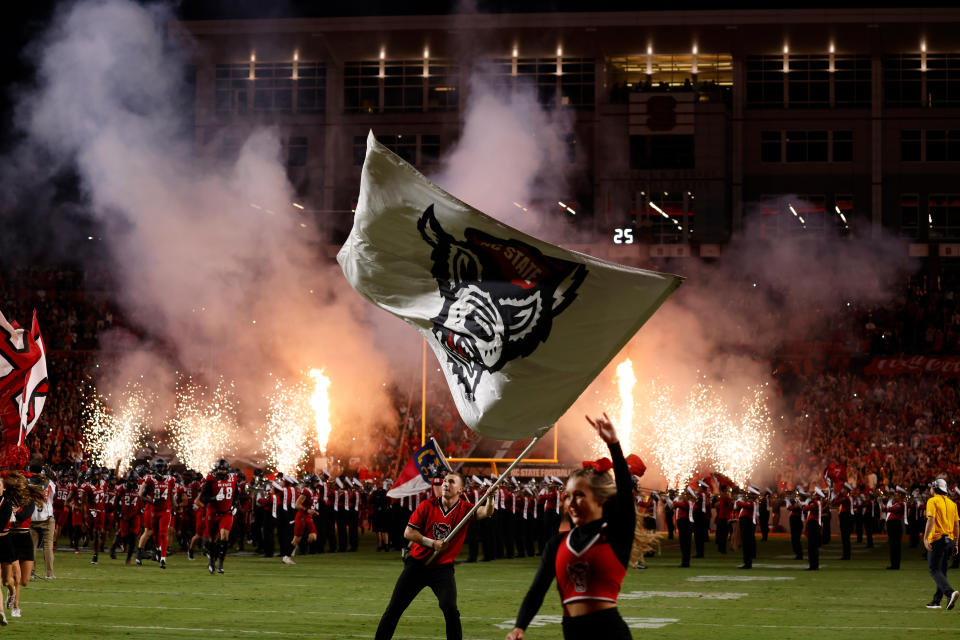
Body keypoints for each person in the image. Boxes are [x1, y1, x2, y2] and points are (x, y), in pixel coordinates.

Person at [505, 414, 635, 640]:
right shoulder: (556, 544)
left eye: (580, 496)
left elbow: (624, 493)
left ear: (600, 499)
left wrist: (613, 444)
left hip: (609, 631)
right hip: (571, 631)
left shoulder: (614, 536)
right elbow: (537, 590)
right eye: (568, 497)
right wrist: (519, 626)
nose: (571, 503)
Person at [375, 469, 494, 640]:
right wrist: (432, 543)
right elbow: (408, 533)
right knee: (394, 608)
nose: (446, 484)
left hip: (442, 569)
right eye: (445, 481)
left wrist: (490, 497)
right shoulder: (427, 505)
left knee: (450, 608)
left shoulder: (466, 510)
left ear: (461, 490)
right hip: (417, 564)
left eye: (452, 481)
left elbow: (486, 512)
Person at [923, 478, 960, 610]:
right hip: (949, 540)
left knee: (934, 569)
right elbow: (957, 525)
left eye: (931, 487)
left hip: (937, 539)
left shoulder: (932, 501)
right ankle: (936, 601)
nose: (929, 489)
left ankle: (949, 593)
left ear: (935, 488)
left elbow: (931, 520)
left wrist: (926, 538)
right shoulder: (952, 504)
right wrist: (956, 543)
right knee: (942, 571)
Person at [197, 459, 239, 575]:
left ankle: (221, 563)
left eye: (224, 469)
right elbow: (203, 498)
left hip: (226, 513)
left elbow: (236, 495)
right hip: (213, 512)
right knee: (212, 539)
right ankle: (211, 562)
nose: (222, 471)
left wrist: (235, 505)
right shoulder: (210, 479)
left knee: (225, 537)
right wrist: (214, 498)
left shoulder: (233, 478)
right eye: (220, 469)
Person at [28, 467, 56, 579]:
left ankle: (30, 572)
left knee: (32, 547)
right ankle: (49, 573)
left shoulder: (29, 485)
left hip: (33, 519)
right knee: (48, 546)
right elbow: (52, 497)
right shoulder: (50, 484)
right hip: (47, 518)